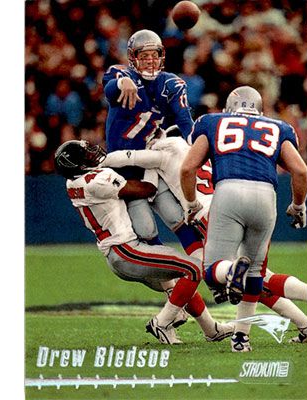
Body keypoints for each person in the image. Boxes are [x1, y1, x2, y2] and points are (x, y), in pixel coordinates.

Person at [101, 127, 307, 343]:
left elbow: (127, 157)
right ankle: (305, 325)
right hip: (235, 206)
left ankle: (166, 319)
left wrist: (99, 162)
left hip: (213, 216)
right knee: (254, 278)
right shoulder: (200, 149)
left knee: (258, 279)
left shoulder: (165, 152)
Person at [54, 139, 238, 345]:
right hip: (127, 251)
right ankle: (162, 322)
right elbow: (146, 190)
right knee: (194, 269)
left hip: (117, 254)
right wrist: (152, 165)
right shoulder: (98, 181)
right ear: (78, 165)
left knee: (178, 285)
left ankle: (211, 329)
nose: (92, 153)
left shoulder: (72, 183)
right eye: (86, 154)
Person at [180, 86, 307, 352]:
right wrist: (298, 206)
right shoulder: (280, 127)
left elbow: (188, 167)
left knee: (212, 270)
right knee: (256, 272)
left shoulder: (211, 122)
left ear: (229, 107)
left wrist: (191, 204)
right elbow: (300, 172)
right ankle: (241, 338)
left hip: (228, 191)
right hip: (266, 196)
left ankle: (230, 271)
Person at [101, 29, 203, 261]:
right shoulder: (122, 75)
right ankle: (173, 275)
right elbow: (110, 87)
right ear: (133, 58)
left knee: (176, 217)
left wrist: (197, 149)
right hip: (123, 168)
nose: (150, 60)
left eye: (154, 55)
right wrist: (123, 82)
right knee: (146, 230)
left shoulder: (171, 84)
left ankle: (204, 267)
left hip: (150, 163)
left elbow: (185, 122)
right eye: (144, 56)